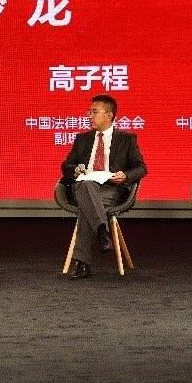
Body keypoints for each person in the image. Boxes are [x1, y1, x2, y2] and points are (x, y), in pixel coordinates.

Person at [59, 94, 147, 279]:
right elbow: (66, 165)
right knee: (86, 185)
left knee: (87, 206)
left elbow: (141, 168)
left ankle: (83, 263)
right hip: (83, 185)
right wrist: (76, 170)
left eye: (94, 112)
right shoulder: (82, 139)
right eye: (89, 112)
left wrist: (125, 176)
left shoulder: (126, 139)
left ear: (109, 115)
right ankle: (102, 232)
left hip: (110, 188)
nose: (89, 116)